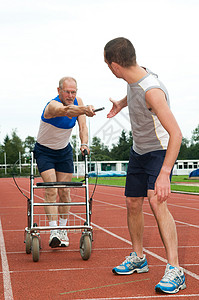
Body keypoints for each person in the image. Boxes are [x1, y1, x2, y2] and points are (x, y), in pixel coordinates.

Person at [104, 37, 186, 294]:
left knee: (156, 201)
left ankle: (176, 270)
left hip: (159, 150)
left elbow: (177, 134)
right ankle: (139, 258)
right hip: (139, 151)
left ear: (115, 66)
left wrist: (164, 174)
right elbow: (134, 90)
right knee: (132, 202)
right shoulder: (134, 77)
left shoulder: (152, 89)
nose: (109, 69)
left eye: (108, 65)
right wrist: (121, 103)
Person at [34, 76, 95, 248]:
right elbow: (67, 111)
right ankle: (53, 230)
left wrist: (84, 144)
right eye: (67, 91)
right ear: (59, 90)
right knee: (51, 190)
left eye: (73, 92)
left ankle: (62, 230)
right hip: (44, 151)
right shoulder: (52, 105)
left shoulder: (78, 102)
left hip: (64, 151)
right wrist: (84, 109)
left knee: (65, 192)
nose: (70, 95)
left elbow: (83, 127)